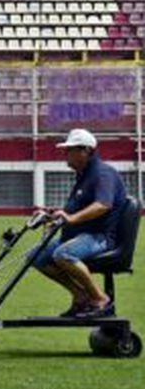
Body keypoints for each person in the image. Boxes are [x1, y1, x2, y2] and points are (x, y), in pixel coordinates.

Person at [31, 128, 128, 319]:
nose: (65, 153)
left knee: (63, 254)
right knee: (36, 255)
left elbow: (102, 205)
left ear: (86, 151)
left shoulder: (103, 174)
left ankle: (100, 299)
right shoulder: (83, 175)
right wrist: (52, 215)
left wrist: (72, 219)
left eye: (69, 150)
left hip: (98, 237)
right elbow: (74, 209)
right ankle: (80, 296)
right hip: (78, 235)